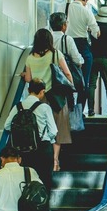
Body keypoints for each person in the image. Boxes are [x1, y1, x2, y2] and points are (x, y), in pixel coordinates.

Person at [23, 29, 73, 174]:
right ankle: (55, 161)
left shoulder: (30, 57)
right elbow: (67, 73)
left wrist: (24, 74)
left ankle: (41, 161)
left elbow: (28, 79)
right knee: (56, 129)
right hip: (55, 98)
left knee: (41, 130)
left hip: (39, 99)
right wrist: (70, 85)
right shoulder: (56, 54)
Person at [4, 78, 57, 192]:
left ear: (28, 90)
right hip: (42, 149)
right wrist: (46, 138)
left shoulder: (17, 107)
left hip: (22, 150)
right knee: (44, 179)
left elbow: (7, 126)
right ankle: (42, 205)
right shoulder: (44, 107)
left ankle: (26, 204)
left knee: (25, 179)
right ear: (42, 91)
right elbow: (53, 131)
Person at [65, 0, 100, 114]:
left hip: (66, 45)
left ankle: (68, 110)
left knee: (66, 80)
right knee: (84, 82)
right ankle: (79, 113)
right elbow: (96, 33)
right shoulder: (86, 11)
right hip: (82, 46)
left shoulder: (66, 8)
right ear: (85, 0)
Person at [88, 6, 107, 117]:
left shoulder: (93, 29)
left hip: (93, 58)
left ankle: (90, 110)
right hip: (105, 58)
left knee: (91, 85)